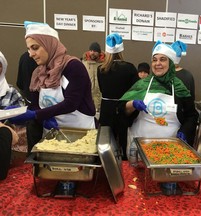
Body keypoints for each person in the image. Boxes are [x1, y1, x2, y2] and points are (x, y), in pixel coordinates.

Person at [8, 21, 96, 153]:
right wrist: (28, 113)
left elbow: (71, 103)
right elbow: (36, 104)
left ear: (49, 44)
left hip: (80, 135)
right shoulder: (38, 73)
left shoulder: (73, 67)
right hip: (51, 137)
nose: (30, 54)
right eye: (29, 49)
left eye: (35, 47)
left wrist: (35, 115)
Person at [118, 40, 199, 161]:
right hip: (141, 147)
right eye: (154, 60)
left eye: (163, 59)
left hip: (170, 149)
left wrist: (185, 131)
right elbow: (122, 110)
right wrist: (132, 104)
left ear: (171, 63)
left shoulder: (179, 87)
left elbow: (191, 115)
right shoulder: (142, 85)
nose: (158, 63)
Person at [97, 33, 139, 159]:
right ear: (121, 50)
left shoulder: (101, 69)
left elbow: (102, 89)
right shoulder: (130, 68)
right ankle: (125, 167)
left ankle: (105, 167)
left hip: (106, 109)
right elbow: (136, 89)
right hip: (122, 108)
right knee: (123, 140)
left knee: (105, 142)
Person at [82, 42, 105, 112]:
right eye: (91, 51)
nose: (92, 53)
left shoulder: (104, 63)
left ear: (99, 53)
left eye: (95, 51)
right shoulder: (84, 62)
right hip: (87, 98)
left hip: (101, 98)